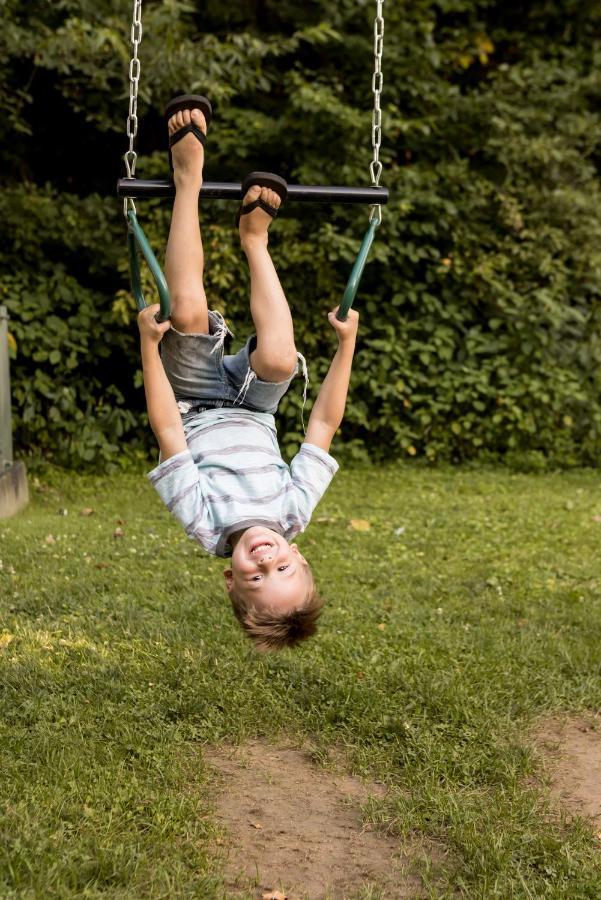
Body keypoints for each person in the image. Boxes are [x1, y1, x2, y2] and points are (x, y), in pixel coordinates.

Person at [138, 96, 359, 651]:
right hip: (252, 406)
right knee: (282, 358)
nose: (267, 561)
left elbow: (167, 433)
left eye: (257, 578)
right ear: (299, 555)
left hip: (191, 401)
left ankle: (188, 177)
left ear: (230, 577)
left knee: (185, 312)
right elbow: (323, 426)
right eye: (283, 570)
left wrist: (150, 346)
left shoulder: (205, 525)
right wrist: (345, 346)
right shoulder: (293, 512)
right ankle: (254, 237)